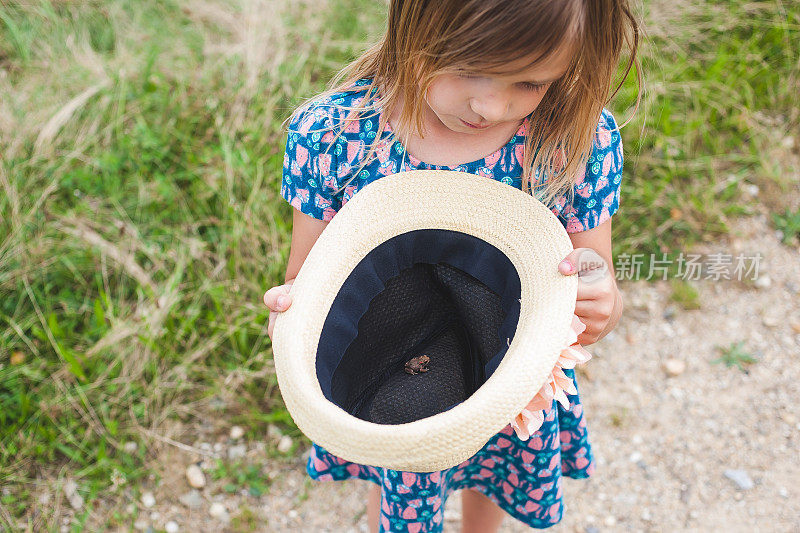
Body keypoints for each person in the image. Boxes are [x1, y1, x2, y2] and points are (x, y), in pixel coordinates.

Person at [264, 0, 640, 531]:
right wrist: (290, 314)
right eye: (470, 69)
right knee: (397, 475)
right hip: (392, 373)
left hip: (508, 378)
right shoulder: (337, 136)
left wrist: (601, 301)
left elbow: (594, 278)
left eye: (529, 83)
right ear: (414, 25)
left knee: (490, 468)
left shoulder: (571, 142)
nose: (490, 105)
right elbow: (307, 281)